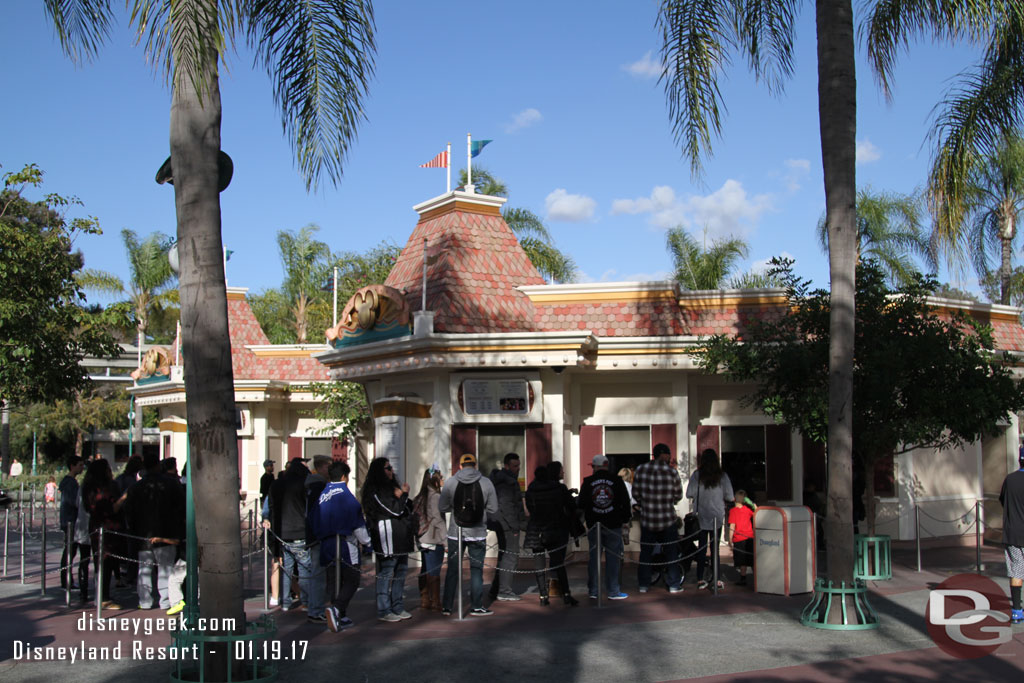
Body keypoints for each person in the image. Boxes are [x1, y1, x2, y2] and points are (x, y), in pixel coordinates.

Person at [123, 452, 186, 610]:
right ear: (158, 465)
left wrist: (132, 529)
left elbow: (129, 511)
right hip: (167, 533)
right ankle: (165, 600)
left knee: (144, 570)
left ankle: (145, 601)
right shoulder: (171, 484)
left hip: (143, 535)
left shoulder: (136, 487)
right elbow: (181, 507)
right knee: (165, 569)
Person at [313, 460, 370, 632]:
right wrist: (367, 543)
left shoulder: (322, 495)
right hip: (345, 543)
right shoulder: (347, 497)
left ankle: (340, 615)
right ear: (344, 476)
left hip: (326, 543)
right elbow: (358, 524)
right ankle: (336, 608)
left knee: (334, 580)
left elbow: (313, 519)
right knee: (352, 579)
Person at [439, 454, 499, 617]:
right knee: (476, 570)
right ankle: (476, 606)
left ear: (460, 466)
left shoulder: (451, 482)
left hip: (455, 533)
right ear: (475, 465)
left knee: (452, 570)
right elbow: (493, 509)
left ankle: (447, 606)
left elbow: (442, 506)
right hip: (478, 532)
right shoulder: (486, 482)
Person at [269, 457, 326, 623]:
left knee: (286, 569)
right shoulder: (304, 485)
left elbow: (272, 508)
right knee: (305, 569)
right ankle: (307, 601)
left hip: (282, 533)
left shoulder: (276, 484)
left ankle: (285, 601)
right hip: (300, 531)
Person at [361, 457, 415, 622]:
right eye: (387, 468)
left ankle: (397, 605)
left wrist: (404, 496)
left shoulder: (393, 488)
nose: (391, 471)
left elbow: (407, 507)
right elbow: (394, 510)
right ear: (379, 471)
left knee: (401, 571)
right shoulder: (375, 490)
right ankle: (384, 609)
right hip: (387, 536)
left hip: (402, 536)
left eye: (391, 467)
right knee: (386, 572)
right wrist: (403, 495)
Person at [525, 461, 580, 607]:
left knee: (539, 564)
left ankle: (543, 596)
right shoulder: (558, 488)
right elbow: (570, 506)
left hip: (536, 530)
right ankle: (566, 594)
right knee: (558, 564)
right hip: (555, 529)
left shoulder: (531, 488)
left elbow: (530, 508)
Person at [579, 454, 632, 600]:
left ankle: (594, 591)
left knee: (594, 559)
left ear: (595, 466)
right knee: (613, 559)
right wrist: (624, 518)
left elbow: (581, 503)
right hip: (613, 524)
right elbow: (625, 502)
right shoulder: (616, 481)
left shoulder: (588, 482)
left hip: (594, 524)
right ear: (606, 465)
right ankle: (613, 591)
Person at [634, 443, 684, 593]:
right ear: (665, 455)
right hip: (667, 519)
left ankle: (644, 584)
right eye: (668, 454)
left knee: (645, 554)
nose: (669, 457)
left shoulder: (641, 470)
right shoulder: (672, 472)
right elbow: (678, 495)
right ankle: (674, 584)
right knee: (671, 553)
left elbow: (636, 494)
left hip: (648, 518)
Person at [686, 448, 735, 591]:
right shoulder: (722, 476)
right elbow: (730, 496)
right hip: (717, 516)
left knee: (702, 548)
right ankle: (717, 578)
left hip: (701, 515)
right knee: (715, 549)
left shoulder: (697, 475)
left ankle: (700, 578)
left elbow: (689, 493)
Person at [82, 458, 124, 609]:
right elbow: (111, 508)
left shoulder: (88, 487)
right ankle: (103, 597)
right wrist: (124, 497)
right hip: (106, 527)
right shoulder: (103, 489)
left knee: (103, 562)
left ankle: (102, 594)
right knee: (105, 562)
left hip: (98, 526)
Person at [488, 452, 527, 602]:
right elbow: (507, 506)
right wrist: (515, 526)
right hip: (508, 526)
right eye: (515, 466)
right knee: (510, 557)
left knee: (503, 556)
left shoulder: (500, 480)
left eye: (519, 466)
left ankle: (496, 589)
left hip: (502, 524)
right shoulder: (507, 482)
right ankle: (504, 590)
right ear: (506, 466)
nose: (518, 469)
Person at [412, 466, 446, 611]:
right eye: (441, 477)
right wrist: (446, 539)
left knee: (425, 569)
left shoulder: (420, 496)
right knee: (434, 571)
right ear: (435, 481)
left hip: (422, 537)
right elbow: (438, 520)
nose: (443, 480)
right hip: (433, 538)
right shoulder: (436, 497)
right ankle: (435, 600)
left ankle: (425, 598)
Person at [999, 448, 1024, 625]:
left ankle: (1016, 611)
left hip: (1013, 533)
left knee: (1016, 570)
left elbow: (1003, 500)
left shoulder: (1010, 479)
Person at [59, 455, 85, 590]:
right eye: (80, 465)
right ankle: (66, 580)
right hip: (71, 521)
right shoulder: (70, 483)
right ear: (72, 466)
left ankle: (67, 580)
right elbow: (74, 501)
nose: (82, 468)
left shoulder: (69, 482)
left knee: (70, 551)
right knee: (70, 551)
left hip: (69, 520)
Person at [726, 489, 757, 586]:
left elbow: (732, 526)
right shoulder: (748, 510)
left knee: (742, 560)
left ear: (735, 499)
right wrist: (751, 503)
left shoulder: (733, 511)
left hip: (739, 538)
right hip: (749, 537)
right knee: (751, 559)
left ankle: (743, 578)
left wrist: (730, 539)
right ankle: (757, 578)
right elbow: (757, 510)